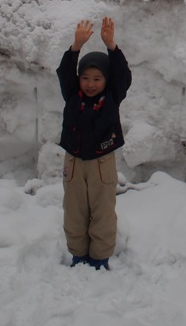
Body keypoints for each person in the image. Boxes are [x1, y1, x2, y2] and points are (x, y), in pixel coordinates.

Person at [56, 17, 132, 270]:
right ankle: (78, 254)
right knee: (74, 210)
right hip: (75, 162)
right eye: (85, 78)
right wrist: (76, 47)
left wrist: (112, 46)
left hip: (102, 162)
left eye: (97, 78)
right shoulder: (71, 94)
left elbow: (122, 75)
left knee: (103, 211)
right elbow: (65, 72)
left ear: (106, 81)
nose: (90, 84)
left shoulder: (112, 97)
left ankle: (100, 257)